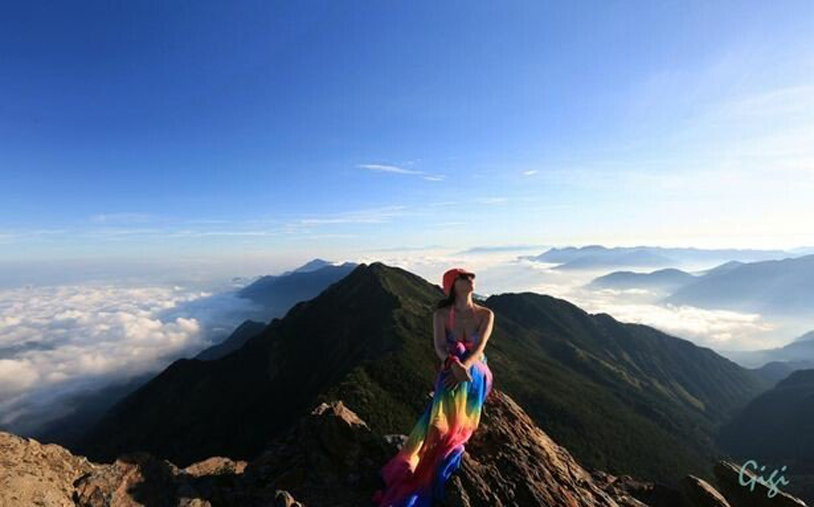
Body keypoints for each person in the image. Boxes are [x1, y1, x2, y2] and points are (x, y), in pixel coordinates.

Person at [371, 267, 495, 506]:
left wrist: (463, 366)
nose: (471, 279)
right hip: (452, 366)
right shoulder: (441, 315)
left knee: (459, 353)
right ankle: (443, 433)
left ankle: (445, 432)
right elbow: (440, 348)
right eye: (464, 277)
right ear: (452, 286)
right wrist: (452, 363)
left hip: (477, 371)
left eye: (471, 276)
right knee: (454, 354)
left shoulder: (486, 314)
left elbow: (479, 350)